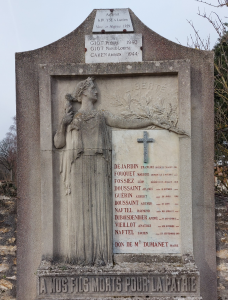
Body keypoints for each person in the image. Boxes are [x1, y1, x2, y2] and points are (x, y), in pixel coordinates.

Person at [54, 77, 184, 266]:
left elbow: (126, 123)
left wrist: (152, 121)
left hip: (99, 166)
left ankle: (100, 257)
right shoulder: (72, 118)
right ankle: (79, 257)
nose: (96, 91)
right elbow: (58, 144)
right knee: (80, 214)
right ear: (83, 93)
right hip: (79, 168)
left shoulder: (101, 116)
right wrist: (63, 124)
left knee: (99, 210)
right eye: (92, 88)